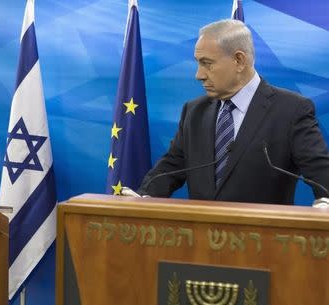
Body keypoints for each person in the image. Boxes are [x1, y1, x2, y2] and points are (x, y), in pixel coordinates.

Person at [137, 19, 329, 205]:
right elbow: (170, 168)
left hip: (263, 234)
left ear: (239, 60)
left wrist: (324, 206)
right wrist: (142, 198)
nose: (199, 75)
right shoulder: (194, 112)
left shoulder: (291, 110)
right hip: (200, 234)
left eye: (207, 63)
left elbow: (322, 177)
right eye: (198, 63)